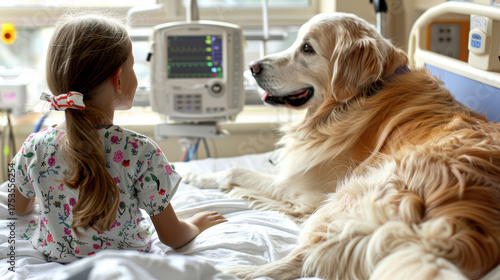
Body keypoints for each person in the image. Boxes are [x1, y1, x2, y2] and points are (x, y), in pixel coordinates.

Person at [11, 13, 227, 263]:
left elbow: (18, 207)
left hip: (54, 257)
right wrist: (196, 225)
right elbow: (172, 237)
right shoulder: (141, 151)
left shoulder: (34, 147)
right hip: (128, 263)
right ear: (118, 79)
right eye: (133, 66)